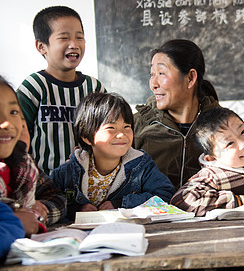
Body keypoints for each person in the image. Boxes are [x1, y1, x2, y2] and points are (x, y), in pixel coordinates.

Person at [51, 92, 175, 220]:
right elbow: (49, 202)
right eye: (111, 128)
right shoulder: (67, 173)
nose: (122, 134)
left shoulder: (141, 165)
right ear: (87, 136)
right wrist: (75, 210)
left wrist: (122, 204)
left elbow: (165, 194)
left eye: (127, 126)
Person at [16, 6, 106, 175]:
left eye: (80, 37)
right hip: (43, 184)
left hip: (88, 182)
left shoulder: (94, 88)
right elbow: (18, 140)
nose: (74, 44)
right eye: (64, 38)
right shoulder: (34, 87)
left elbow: (107, 133)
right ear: (42, 47)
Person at [134, 39, 220, 190]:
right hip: (152, 213)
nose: (153, 83)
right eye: (152, 74)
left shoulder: (221, 125)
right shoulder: (136, 126)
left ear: (190, 77)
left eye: (161, 73)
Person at [170, 107, 244, 216]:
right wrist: (237, 202)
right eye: (230, 144)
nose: (243, 144)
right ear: (212, 158)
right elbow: (181, 201)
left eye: (243, 131)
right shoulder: (212, 175)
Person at [0, 77, 43, 236]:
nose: (7, 123)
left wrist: (30, 220)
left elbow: (29, 217)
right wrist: (16, 225)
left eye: (13, 112)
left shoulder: (23, 166)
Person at [19, 117, 65, 226]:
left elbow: (58, 198)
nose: (17, 136)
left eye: (22, 128)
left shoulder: (26, 166)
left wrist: (39, 212)